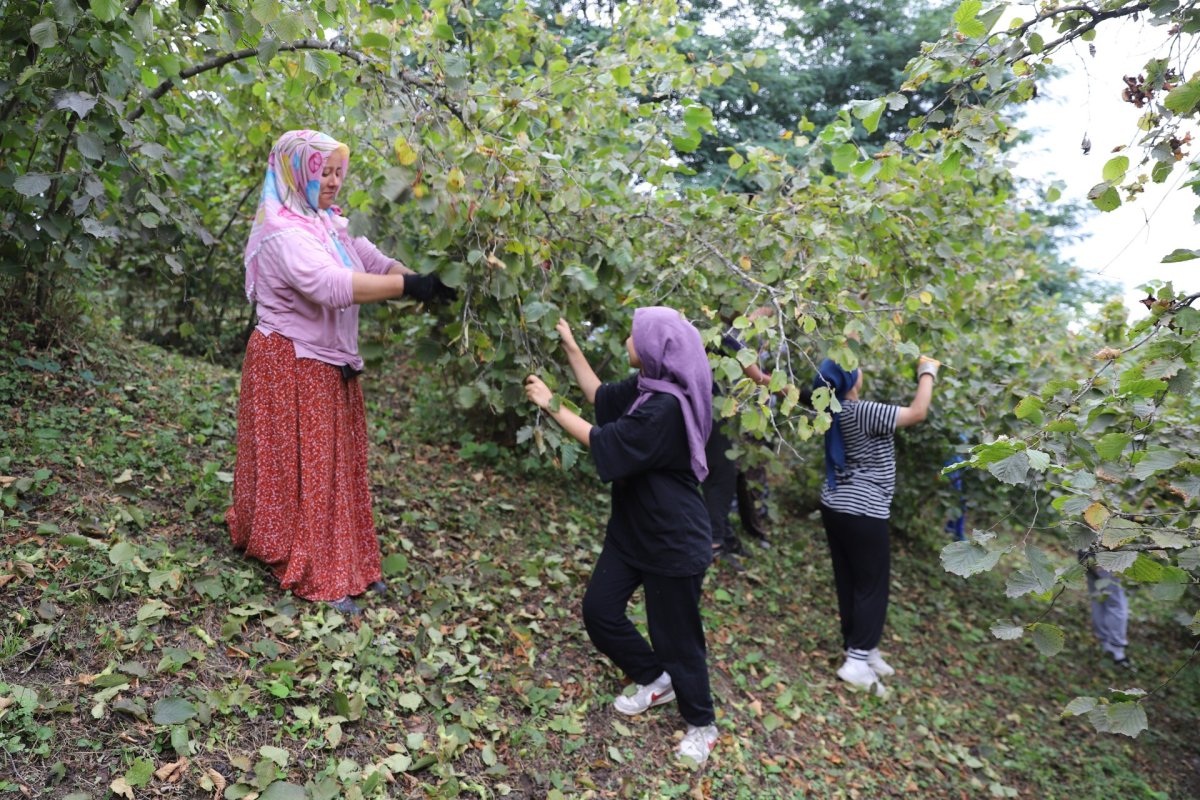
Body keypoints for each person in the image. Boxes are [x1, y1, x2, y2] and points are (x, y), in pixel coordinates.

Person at [227, 129, 452, 615]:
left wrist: (426, 282)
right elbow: (330, 286)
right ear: (295, 173)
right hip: (291, 362)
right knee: (304, 469)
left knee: (332, 468)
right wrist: (410, 288)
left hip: (326, 361)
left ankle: (344, 562)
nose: (332, 182)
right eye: (322, 173)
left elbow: (374, 262)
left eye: (336, 173)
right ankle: (311, 567)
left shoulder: (327, 222)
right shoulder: (283, 232)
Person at [524, 311, 720, 765]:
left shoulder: (665, 408)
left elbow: (604, 441)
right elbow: (599, 397)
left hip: (672, 541)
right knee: (599, 611)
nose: (628, 340)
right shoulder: (649, 386)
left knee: (678, 642)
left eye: (635, 335)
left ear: (654, 348)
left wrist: (551, 404)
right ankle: (656, 679)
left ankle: (702, 725)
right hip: (633, 529)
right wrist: (570, 343)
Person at [812, 355, 938, 692]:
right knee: (871, 585)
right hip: (864, 509)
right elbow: (918, 412)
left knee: (849, 579)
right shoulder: (863, 411)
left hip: (835, 503)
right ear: (851, 381)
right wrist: (927, 371)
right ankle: (856, 661)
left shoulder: (830, 409)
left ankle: (862, 649)